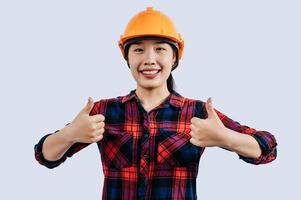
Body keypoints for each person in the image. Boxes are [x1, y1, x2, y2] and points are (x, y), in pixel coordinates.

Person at [34, 6, 277, 200]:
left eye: (160, 49)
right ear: (127, 57)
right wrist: (69, 134)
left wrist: (226, 138)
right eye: (138, 50)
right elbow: (45, 156)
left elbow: (267, 149)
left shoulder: (198, 113)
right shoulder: (104, 111)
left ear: (174, 57)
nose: (149, 59)